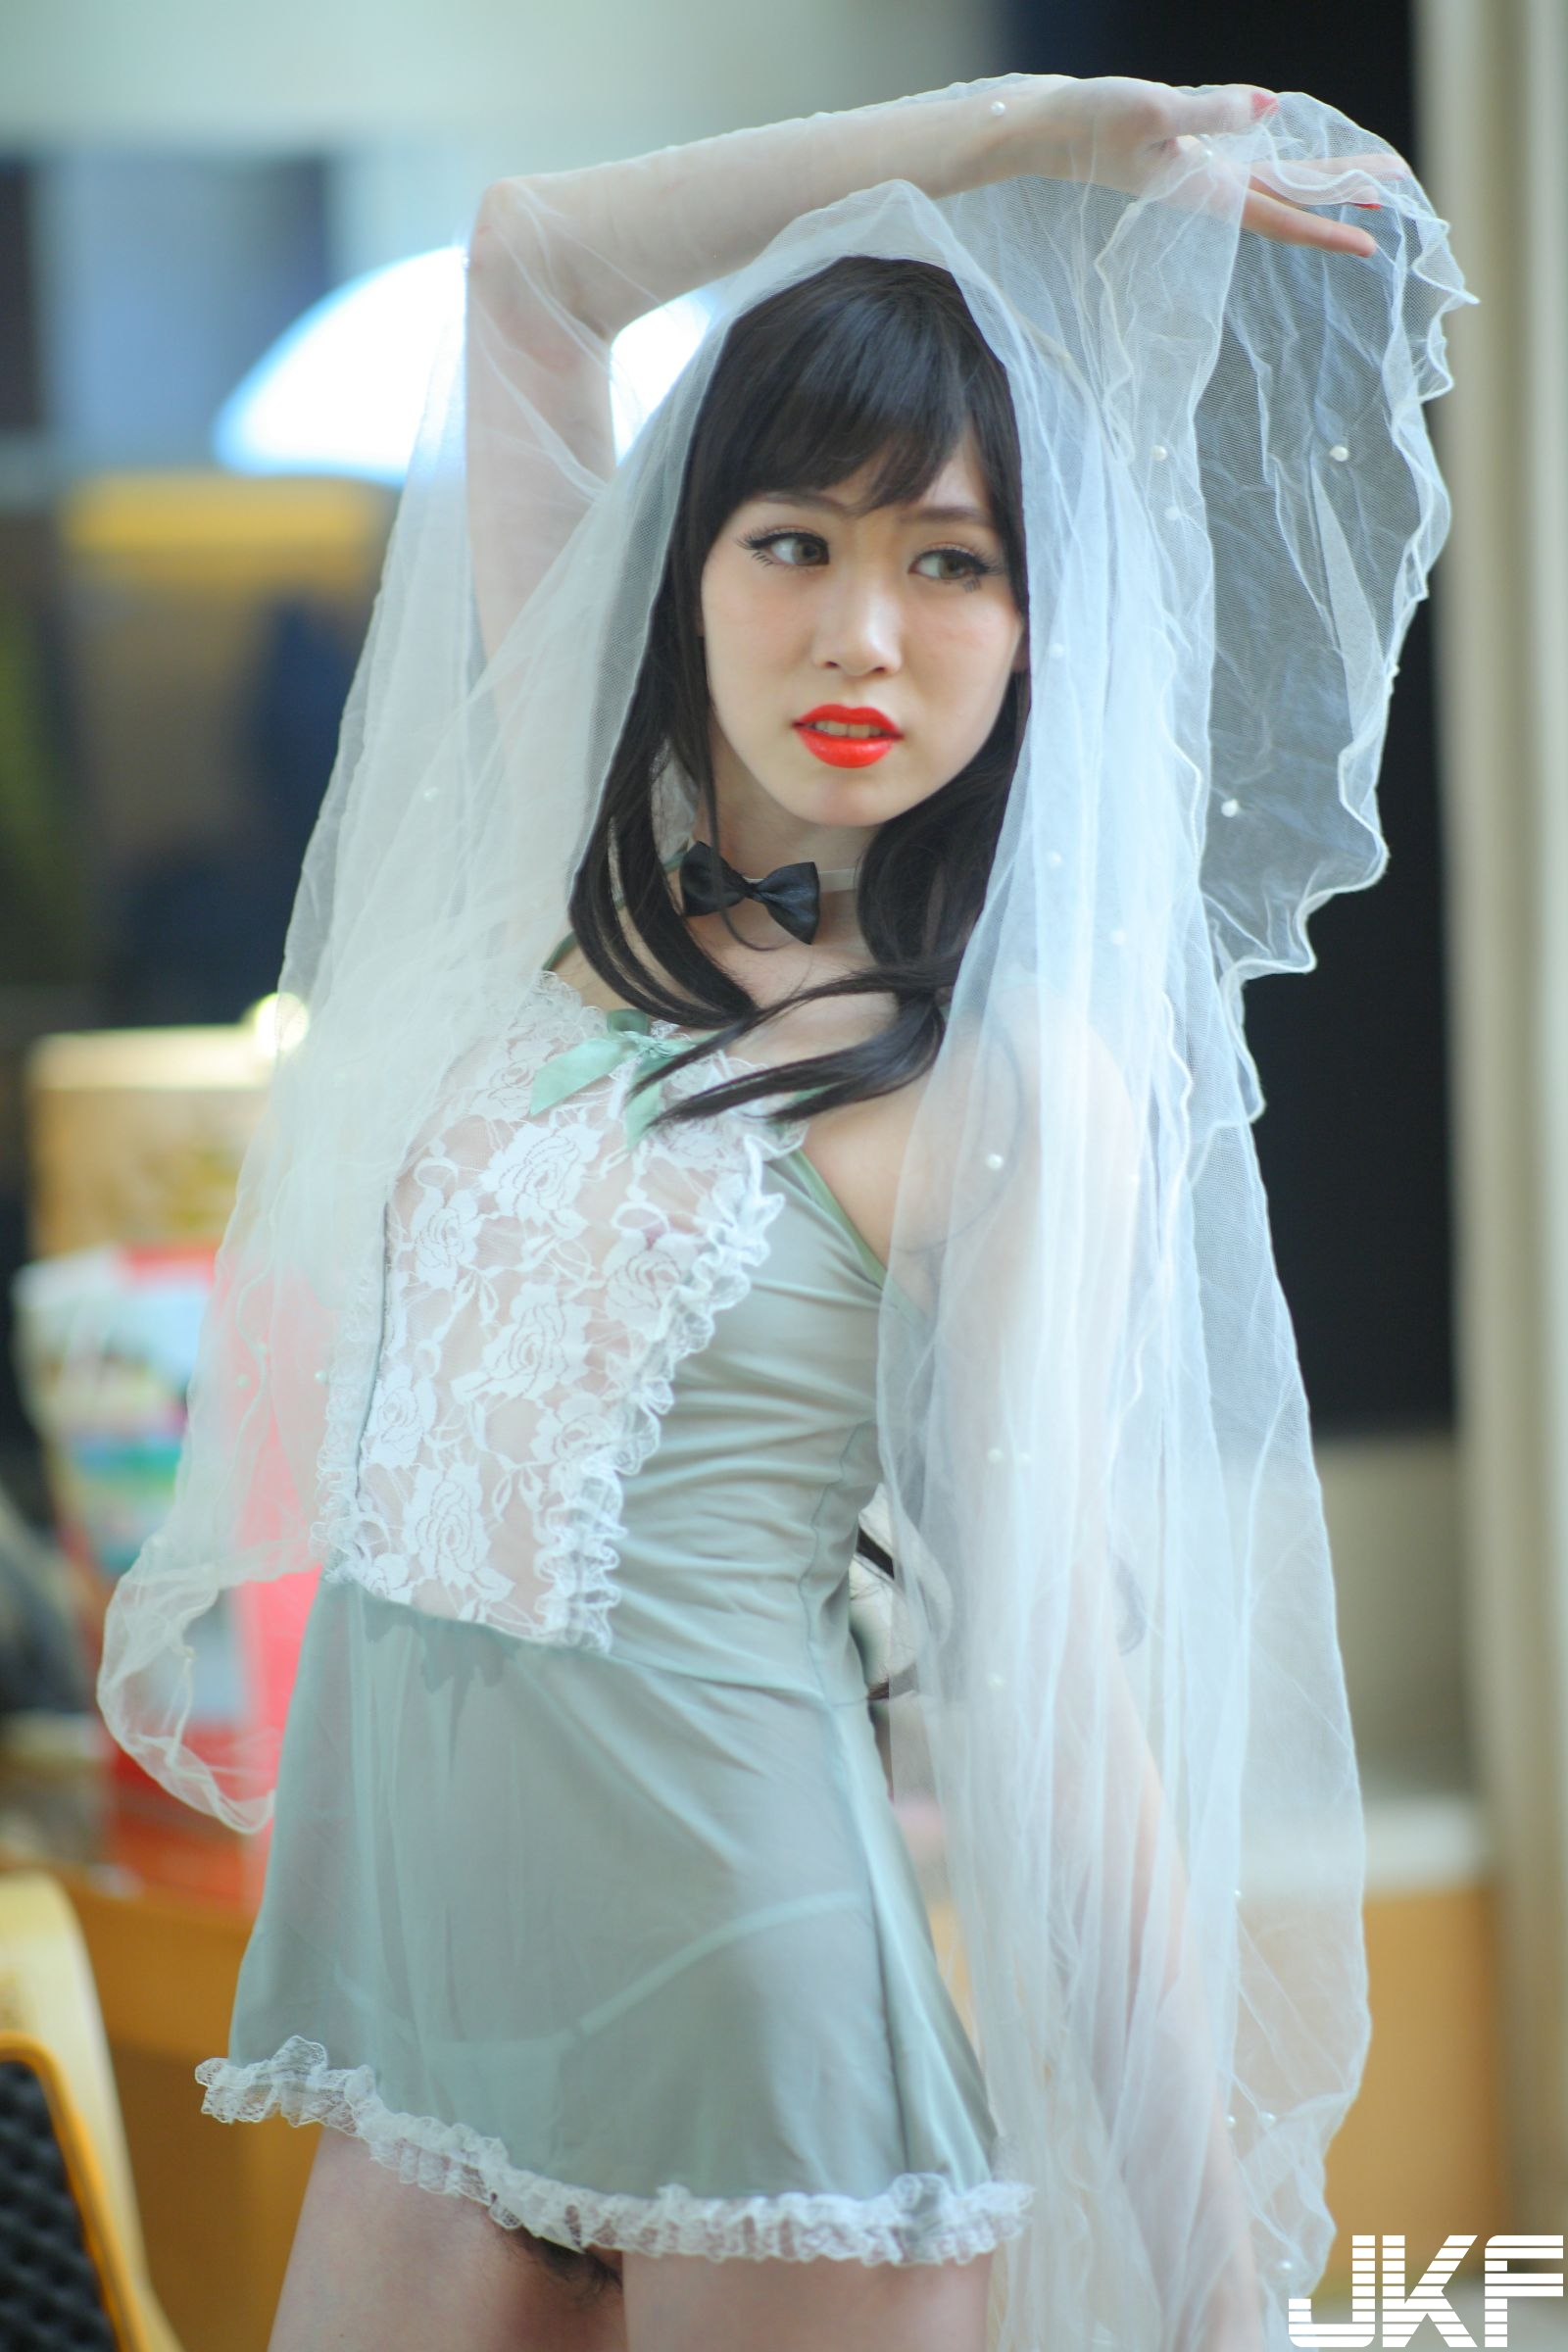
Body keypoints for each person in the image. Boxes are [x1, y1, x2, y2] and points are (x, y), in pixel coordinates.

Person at [94, 72, 1470, 2352]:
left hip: (756, 2036)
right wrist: (1038, 133)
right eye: (791, 542)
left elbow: (1055, 1704)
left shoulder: (996, 1085)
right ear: (685, 562)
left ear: (1037, 628)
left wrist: (1214, 2299)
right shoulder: (571, 842)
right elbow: (535, 262)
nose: (859, 638)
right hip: (418, 2032)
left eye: (948, 561)